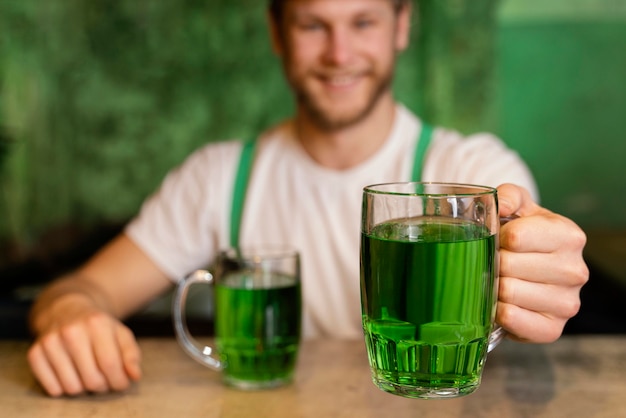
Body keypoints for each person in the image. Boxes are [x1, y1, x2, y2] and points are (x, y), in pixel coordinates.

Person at [27, 0, 588, 397]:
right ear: (277, 34)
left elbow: (529, 241)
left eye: (363, 21)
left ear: (402, 25)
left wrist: (538, 273)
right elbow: (79, 290)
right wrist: (72, 316)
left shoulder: (472, 173)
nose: (339, 53)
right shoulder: (219, 176)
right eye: (312, 24)